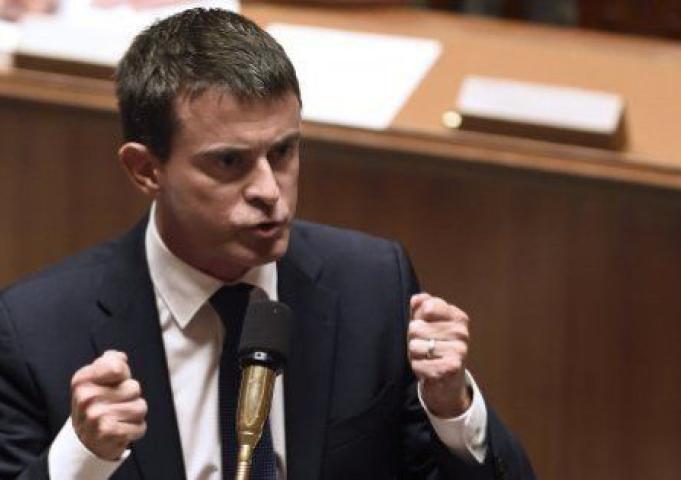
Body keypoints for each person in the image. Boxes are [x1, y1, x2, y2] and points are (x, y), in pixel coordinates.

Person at [0, 8, 534, 480]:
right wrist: (81, 457)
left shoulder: (372, 285)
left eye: (282, 153)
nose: (269, 191)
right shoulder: (36, 333)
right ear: (145, 169)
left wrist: (452, 408)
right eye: (229, 162)